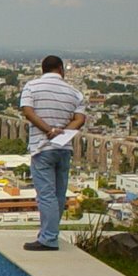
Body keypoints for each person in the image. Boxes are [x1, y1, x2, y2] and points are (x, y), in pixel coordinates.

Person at [19, 55, 86, 251]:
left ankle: (48, 239)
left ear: (43, 69)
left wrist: (49, 130)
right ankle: (52, 234)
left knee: (46, 195)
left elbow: (28, 112)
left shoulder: (32, 86)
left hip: (42, 148)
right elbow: (79, 119)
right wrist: (61, 131)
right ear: (61, 69)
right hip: (64, 148)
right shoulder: (75, 93)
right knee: (59, 194)